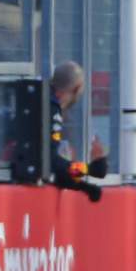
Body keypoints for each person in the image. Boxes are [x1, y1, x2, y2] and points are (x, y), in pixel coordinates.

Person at [48, 60, 107, 201]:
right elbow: (51, 162)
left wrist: (82, 186)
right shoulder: (52, 108)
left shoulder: (43, 100)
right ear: (76, 89)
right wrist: (88, 170)